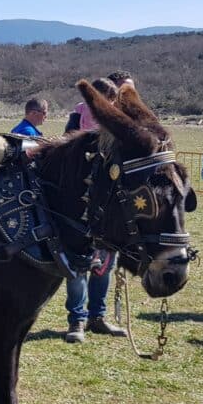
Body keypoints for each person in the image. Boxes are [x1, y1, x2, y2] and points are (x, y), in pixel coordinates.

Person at [64, 77, 127, 343]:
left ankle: (97, 317)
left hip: (108, 203)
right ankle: (76, 319)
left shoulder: (119, 122)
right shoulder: (77, 115)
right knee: (79, 264)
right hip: (80, 201)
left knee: (106, 262)